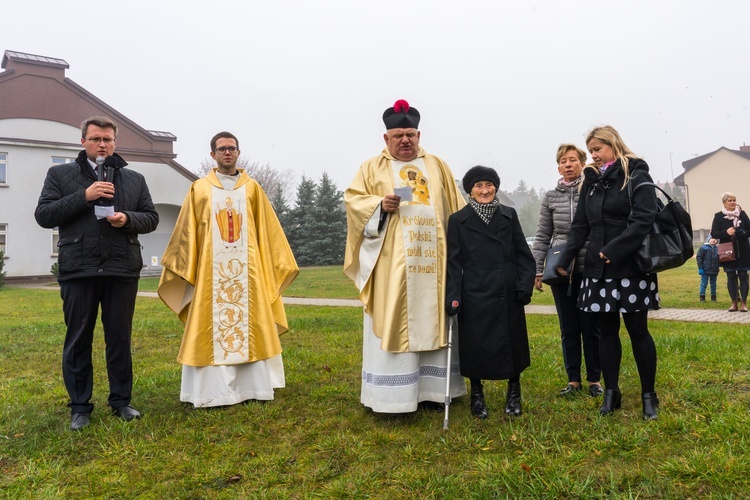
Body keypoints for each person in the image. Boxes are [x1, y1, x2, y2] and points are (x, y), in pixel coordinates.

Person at [35, 116, 159, 430]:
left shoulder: (134, 179)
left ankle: (121, 402)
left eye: (107, 139)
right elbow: (44, 215)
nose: (101, 144)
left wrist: (126, 218)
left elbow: (151, 218)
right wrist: (85, 196)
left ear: (115, 143)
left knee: (119, 339)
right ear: (83, 142)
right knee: (78, 340)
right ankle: (80, 407)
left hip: (121, 268)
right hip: (79, 269)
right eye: (95, 139)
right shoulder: (60, 174)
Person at [344, 99, 467, 414]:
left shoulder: (438, 166)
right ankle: (392, 398)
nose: (405, 140)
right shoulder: (371, 168)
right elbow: (353, 202)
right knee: (395, 319)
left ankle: (435, 394)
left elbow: (456, 211)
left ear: (419, 134)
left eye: (410, 134)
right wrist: (377, 206)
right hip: (393, 268)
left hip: (435, 265)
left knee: (436, 316)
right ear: (386, 138)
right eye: (398, 135)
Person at [158, 132, 298, 408]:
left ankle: (255, 388)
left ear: (238, 152)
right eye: (221, 149)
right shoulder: (199, 188)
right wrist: (185, 266)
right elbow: (187, 232)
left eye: (232, 148)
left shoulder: (252, 188)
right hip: (211, 273)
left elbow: (267, 231)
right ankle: (212, 391)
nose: (227, 153)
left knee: (253, 322)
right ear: (212, 155)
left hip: (249, 273)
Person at [556, 125, 661, 420]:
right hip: (597, 270)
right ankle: (611, 393)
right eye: (590, 151)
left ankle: (648, 395)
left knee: (638, 331)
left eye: (597, 150)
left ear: (613, 145)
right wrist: (565, 258)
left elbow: (643, 219)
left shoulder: (637, 175)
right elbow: (580, 226)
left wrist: (613, 250)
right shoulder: (590, 182)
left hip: (631, 268)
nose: (593, 156)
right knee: (605, 332)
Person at [445, 166, 535, 419]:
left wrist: (523, 286)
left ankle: (514, 393)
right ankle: (477, 395)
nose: (484, 190)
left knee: (513, 346)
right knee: (475, 346)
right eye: (478, 186)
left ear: (495, 187)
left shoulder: (509, 215)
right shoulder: (458, 220)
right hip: (475, 294)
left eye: (489, 185)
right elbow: (453, 262)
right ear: (470, 192)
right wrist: (454, 295)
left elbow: (523, 256)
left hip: (507, 293)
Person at [531, 145, 603, 399]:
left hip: (590, 268)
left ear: (583, 164)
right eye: (563, 161)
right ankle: (573, 380)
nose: (568, 164)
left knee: (591, 327)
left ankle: (595, 379)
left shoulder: (594, 190)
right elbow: (542, 236)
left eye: (573, 160)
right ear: (558, 167)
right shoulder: (551, 197)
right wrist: (537, 270)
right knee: (568, 327)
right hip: (561, 270)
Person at [711, 193, 750, 312]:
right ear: (724, 203)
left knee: (743, 276)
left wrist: (740, 232)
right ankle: (734, 302)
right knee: (731, 276)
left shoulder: (742, 214)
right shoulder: (718, 216)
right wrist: (726, 233)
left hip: (743, 250)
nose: (732, 202)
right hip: (727, 252)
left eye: (734, 200)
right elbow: (714, 233)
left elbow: (749, 230)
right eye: (730, 200)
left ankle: (743, 303)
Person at [696, 237, 720, 302]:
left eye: (715, 239)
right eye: (712, 238)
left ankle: (713, 297)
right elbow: (699, 257)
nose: (714, 240)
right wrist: (700, 268)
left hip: (714, 269)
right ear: (709, 240)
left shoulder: (718, 249)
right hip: (705, 269)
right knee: (704, 283)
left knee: (713, 284)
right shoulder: (704, 248)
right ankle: (702, 297)